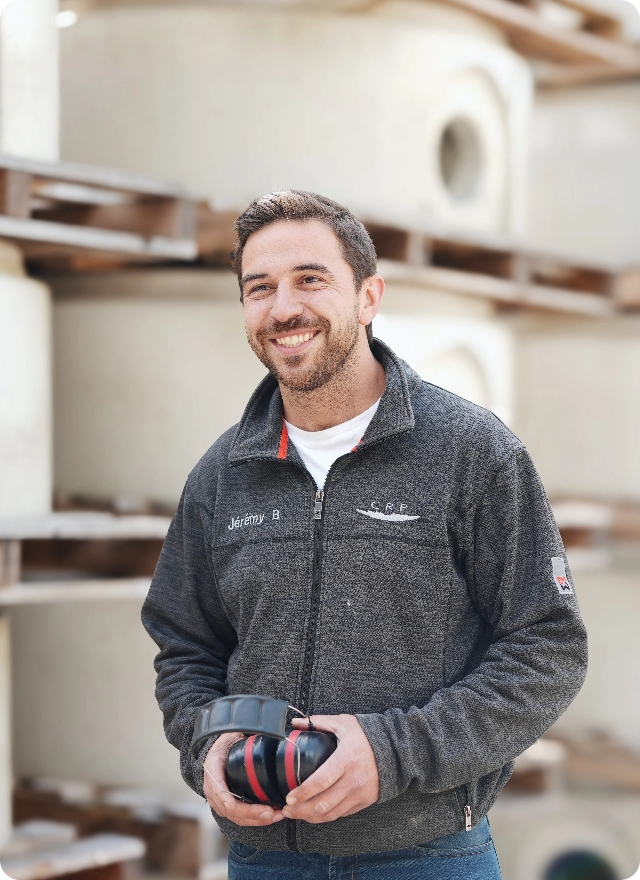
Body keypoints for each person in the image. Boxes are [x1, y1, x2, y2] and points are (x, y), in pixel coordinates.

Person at [141, 191, 588, 879]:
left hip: (426, 856)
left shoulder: (471, 454)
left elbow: (546, 649)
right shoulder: (221, 475)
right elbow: (186, 651)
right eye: (259, 288)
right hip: (264, 858)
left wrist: (391, 754)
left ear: (369, 296)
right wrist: (208, 750)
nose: (283, 307)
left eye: (310, 279)